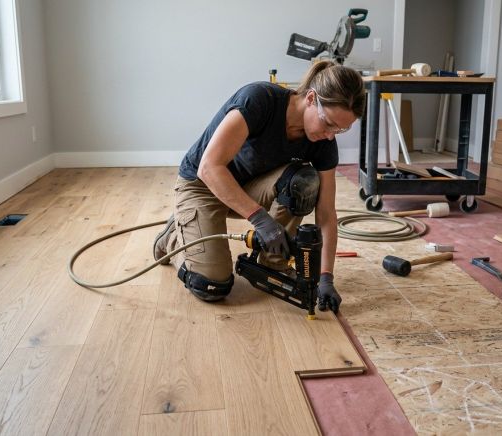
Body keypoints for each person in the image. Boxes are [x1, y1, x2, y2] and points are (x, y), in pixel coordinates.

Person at [153, 60, 365, 313]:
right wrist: (261, 220)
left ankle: (272, 263)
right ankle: (175, 237)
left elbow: (327, 213)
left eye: (340, 130)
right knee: (211, 285)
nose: (331, 135)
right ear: (310, 98)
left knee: (304, 181)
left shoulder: (322, 141)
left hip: (247, 189)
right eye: (328, 123)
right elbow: (209, 168)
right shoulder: (259, 99)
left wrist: (325, 277)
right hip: (202, 186)